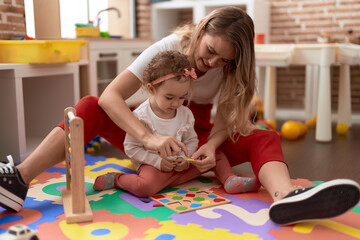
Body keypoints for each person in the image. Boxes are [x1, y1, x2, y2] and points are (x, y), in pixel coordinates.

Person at [0, 6, 359, 225]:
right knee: (89, 105)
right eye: (211, 51)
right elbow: (112, 96)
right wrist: (148, 137)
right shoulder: (170, 48)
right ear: (202, 30)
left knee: (264, 133)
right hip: (149, 126)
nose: (214, 63)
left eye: (225, 60)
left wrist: (212, 144)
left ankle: (286, 198)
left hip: (194, 135)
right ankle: (18, 180)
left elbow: (225, 120)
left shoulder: (231, 68)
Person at [92, 50, 260, 196]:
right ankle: (117, 179)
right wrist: (158, 162)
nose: (176, 103)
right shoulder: (141, 116)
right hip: (154, 167)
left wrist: (187, 160)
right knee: (145, 187)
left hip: (182, 164)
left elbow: (191, 140)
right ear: (151, 89)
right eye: (169, 97)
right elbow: (131, 148)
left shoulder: (185, 113)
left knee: (214, 153)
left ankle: (230, 180)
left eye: (182, 97)